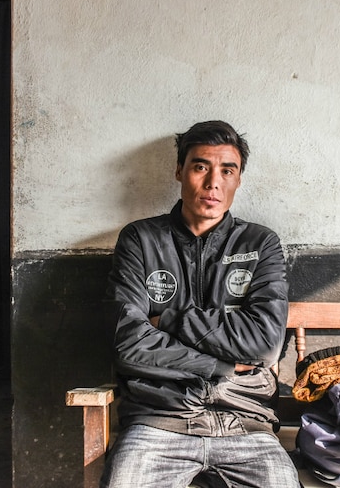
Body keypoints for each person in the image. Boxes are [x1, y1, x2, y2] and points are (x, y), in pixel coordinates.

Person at [100, 120, 300, 488]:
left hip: (246, 421)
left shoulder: (259, 243)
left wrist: (167, 320)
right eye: (200, 167)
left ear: (238, 180)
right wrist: (221, 364)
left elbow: (265, 343)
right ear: (179, 171)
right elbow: (128, 346)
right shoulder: (141, 239)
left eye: (228, 170)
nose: (213, 183)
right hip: (159, 420)